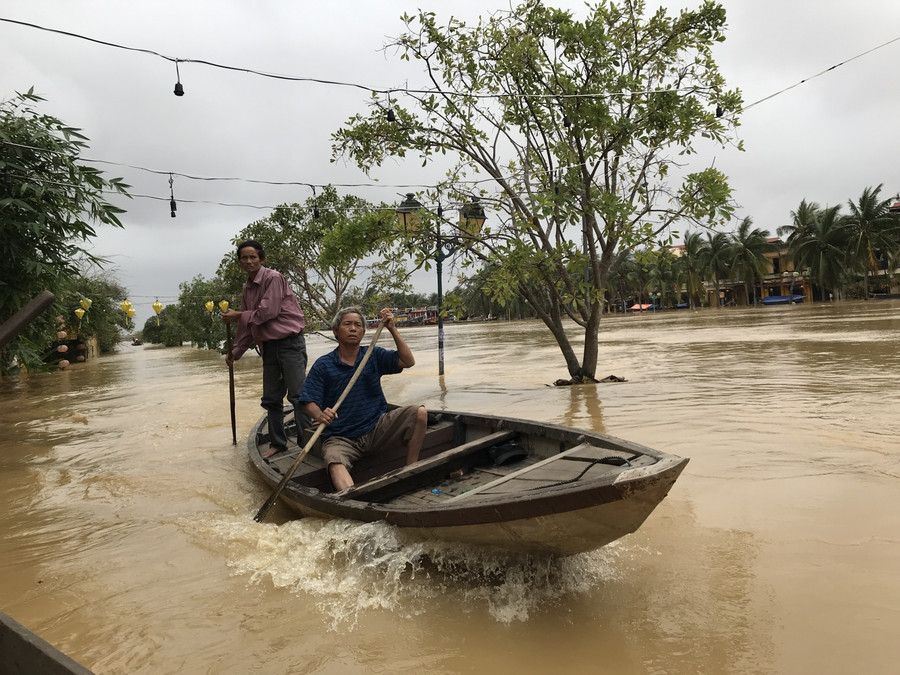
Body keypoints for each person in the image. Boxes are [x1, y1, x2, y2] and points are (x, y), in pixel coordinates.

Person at [301, 307, 427, 491]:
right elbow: (309, 402)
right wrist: (320, 415)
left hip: (375, 428)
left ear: (363, 332)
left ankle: (410, 472)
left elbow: (408, 361)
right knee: (335, 462)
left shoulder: (372, 355)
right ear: (336, 331)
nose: (353, 328)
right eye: (347, 324)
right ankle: (355, 501)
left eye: (358, 325)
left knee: (420, 413)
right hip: (341, 436)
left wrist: (392, 328)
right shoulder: (324, 365)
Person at [223, 240, 307, 459]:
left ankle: (307, 443)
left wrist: (238, 315)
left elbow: (266, 312)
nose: (249, 261)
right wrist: (235, 352)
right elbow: (248, 324)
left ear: (262, 259)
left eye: (253, 257)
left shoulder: (273, 278)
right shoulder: (247, 287)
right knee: (271, 398)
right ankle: (279, 443)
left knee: (299, 396)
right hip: (268, 346)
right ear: (239, 262)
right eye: (244, 257)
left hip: (290, 343)